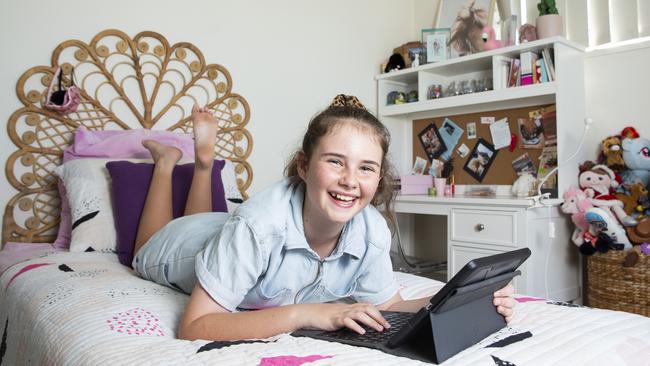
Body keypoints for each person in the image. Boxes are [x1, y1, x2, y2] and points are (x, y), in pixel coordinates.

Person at [132, 96, 516, 341]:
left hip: (225, 229)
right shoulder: (257, 225)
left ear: (379, 178)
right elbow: (194, 327)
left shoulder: (371, 230)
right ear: (303, 164)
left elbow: (388, 305)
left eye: (366, 168)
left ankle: (203, 165)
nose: (350, 181)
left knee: (215, 218)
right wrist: (307, 314)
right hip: (183, 247)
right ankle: (166, 165)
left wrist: (456, 297)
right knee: (148, 242)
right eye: (335, 162)